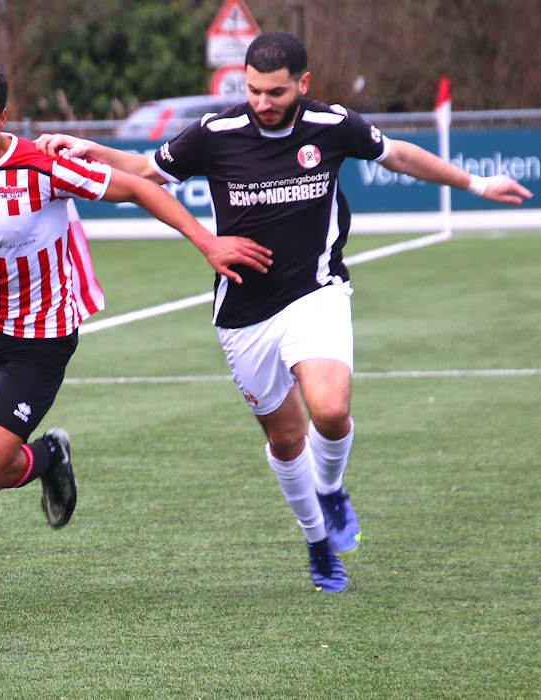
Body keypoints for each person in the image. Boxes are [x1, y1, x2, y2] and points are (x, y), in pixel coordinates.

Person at [38, 30, 533, 593]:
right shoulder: (215, 133)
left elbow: (397, 155)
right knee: (286, 440)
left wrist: (476, 182)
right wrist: (88, 147)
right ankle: (317, 541)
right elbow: (146, 169)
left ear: (303, 83)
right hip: (243, 312)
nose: (262, 102)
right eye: (253, 90)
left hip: (315, 292)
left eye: (275, 92)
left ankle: (331, 488)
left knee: (331, 410)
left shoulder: (331, 125)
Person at [0, 59, 271, 578]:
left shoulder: (40, 168)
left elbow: (140, 188)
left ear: (2, 118)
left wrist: (207, 242)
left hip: (41, 337)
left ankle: (49, 456)